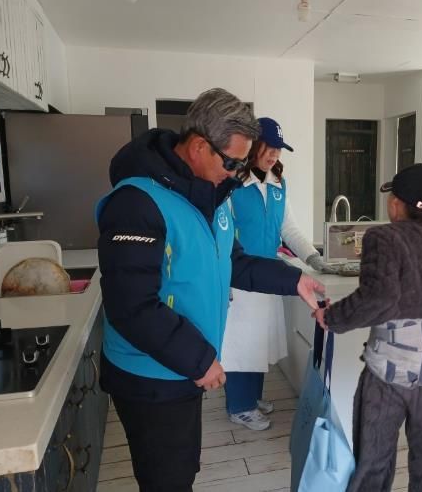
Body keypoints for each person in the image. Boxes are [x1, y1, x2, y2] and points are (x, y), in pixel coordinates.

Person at [96, 88, 324, 492]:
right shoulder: (136, 203)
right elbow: (131, 307)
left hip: (183, 367)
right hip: (149, 376)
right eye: (232, 162)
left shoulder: (211, 196)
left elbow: (236, 261)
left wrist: (294, 279)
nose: (236, 173)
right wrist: (200, 360)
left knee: (182, 468)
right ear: (200, 146)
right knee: (167, 479)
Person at [314, 163, 422, 492]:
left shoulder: (383, 237)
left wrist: (332, 317)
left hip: (387, 376)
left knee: (373, 466)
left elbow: (377, 299)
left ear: (396, 203)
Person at [221, 117, 337, 430]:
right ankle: (239, 406)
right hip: (240, 276)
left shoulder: (277, 184)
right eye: (269, 147)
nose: (274, 154)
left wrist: (314, 257)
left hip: (268, 274)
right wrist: (222, 277)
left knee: (260, 340)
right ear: (253, 146)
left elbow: (289, 229)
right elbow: (223, 233)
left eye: (278, 149)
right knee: (240, 343)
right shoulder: (232, 184)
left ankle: (252, 397)